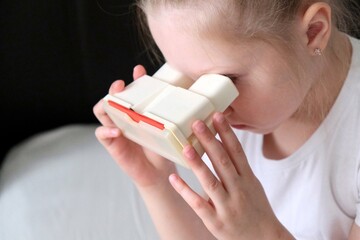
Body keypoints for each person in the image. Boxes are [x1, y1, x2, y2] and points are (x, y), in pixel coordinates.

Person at [93, 0, 360, 239]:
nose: (208, 106)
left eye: (225, 81)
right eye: (183, 76)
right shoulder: (231, 118)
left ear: (313, 31)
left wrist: (263, 235)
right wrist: (155, 182)